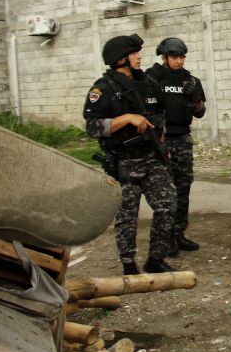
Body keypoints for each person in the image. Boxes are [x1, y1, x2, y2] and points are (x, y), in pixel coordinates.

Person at [83, 34, 177, 275]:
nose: (139, 57)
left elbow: (159, 112)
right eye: (134, 53)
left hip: (151, 157)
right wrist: (126, 118)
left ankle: (156, 259)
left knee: (167, 205)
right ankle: (128, 264)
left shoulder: (147, 82)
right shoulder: (102, 89)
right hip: (123, 161)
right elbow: (92, 126)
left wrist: (159, 131)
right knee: (127, 217)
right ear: (120, 59)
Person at [145, 38, 206, 257]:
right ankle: (166, 237)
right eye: (174, 57)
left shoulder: (189, 80)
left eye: (181, 57)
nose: (179, 61)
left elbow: (199, 111)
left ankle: (178, 234)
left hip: (182, 139)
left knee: (183, 187)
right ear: (164, 57)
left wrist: (195, 97)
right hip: (162, 140)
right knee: (166, 191)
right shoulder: (151, 79)